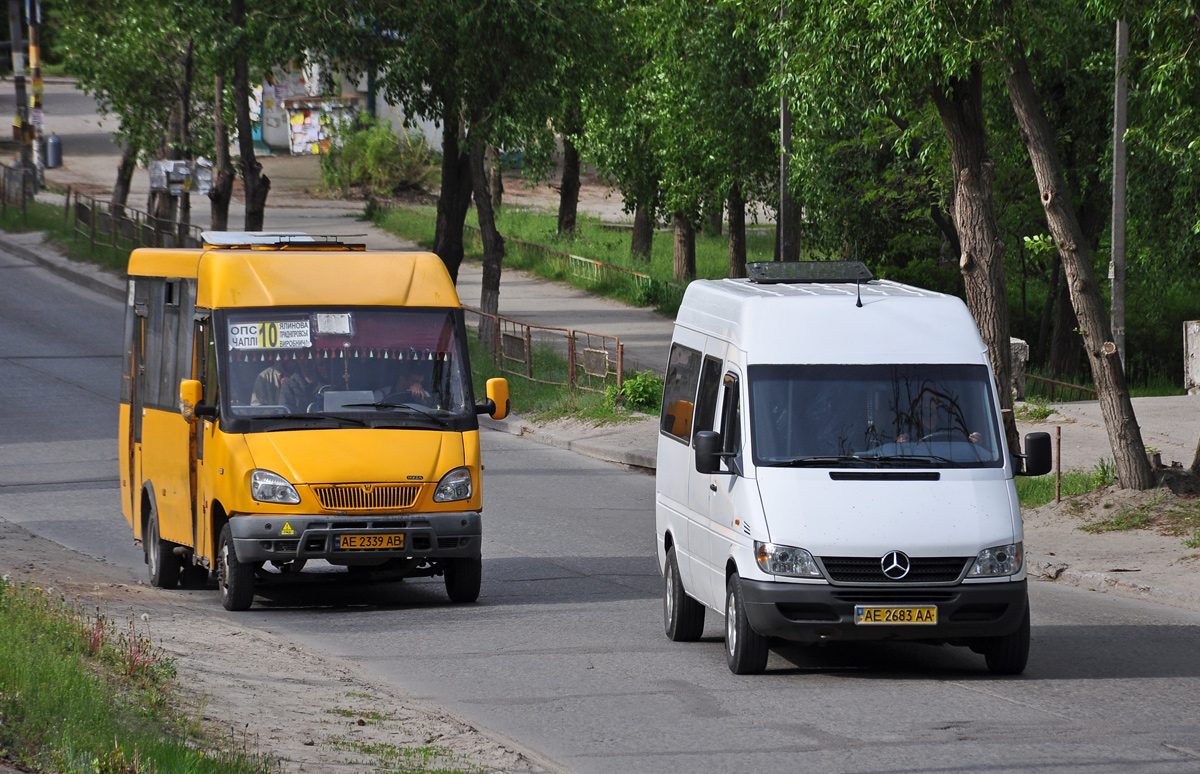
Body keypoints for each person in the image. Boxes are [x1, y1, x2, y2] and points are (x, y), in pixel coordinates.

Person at [896, 389, 981, 444]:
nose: (926, 404)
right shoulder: (909, 428)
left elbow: (962, 447)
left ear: (939, 402)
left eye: (930, 400)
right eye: (923, 400)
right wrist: (899, 444)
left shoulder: (952, 426)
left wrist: (974, 442)